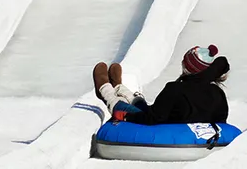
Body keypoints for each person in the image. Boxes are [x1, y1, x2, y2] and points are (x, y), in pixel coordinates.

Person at [92, 45, 229, 125]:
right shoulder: (217, 92)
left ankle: (105, 90)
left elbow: (152, 118)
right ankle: (119, 86)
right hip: (177, 124)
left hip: (163, 127)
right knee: (143, 106)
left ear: (186, 68)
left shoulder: (174, 89)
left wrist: (126, 117)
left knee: (127, 108)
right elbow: (221, 121)